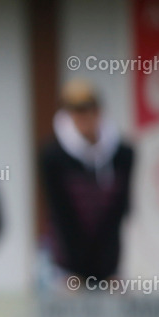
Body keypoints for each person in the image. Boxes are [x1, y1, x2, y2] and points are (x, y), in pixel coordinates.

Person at [39, 78, 134, 283]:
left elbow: (120, 211)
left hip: (109, 264)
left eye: (87, 110)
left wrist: (110, 268)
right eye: (76, 111)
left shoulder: (123, 154)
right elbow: (60, 214)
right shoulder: (53, 156)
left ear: (98, 111)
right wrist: (74, 272)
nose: (83, 117)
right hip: (66, 266)